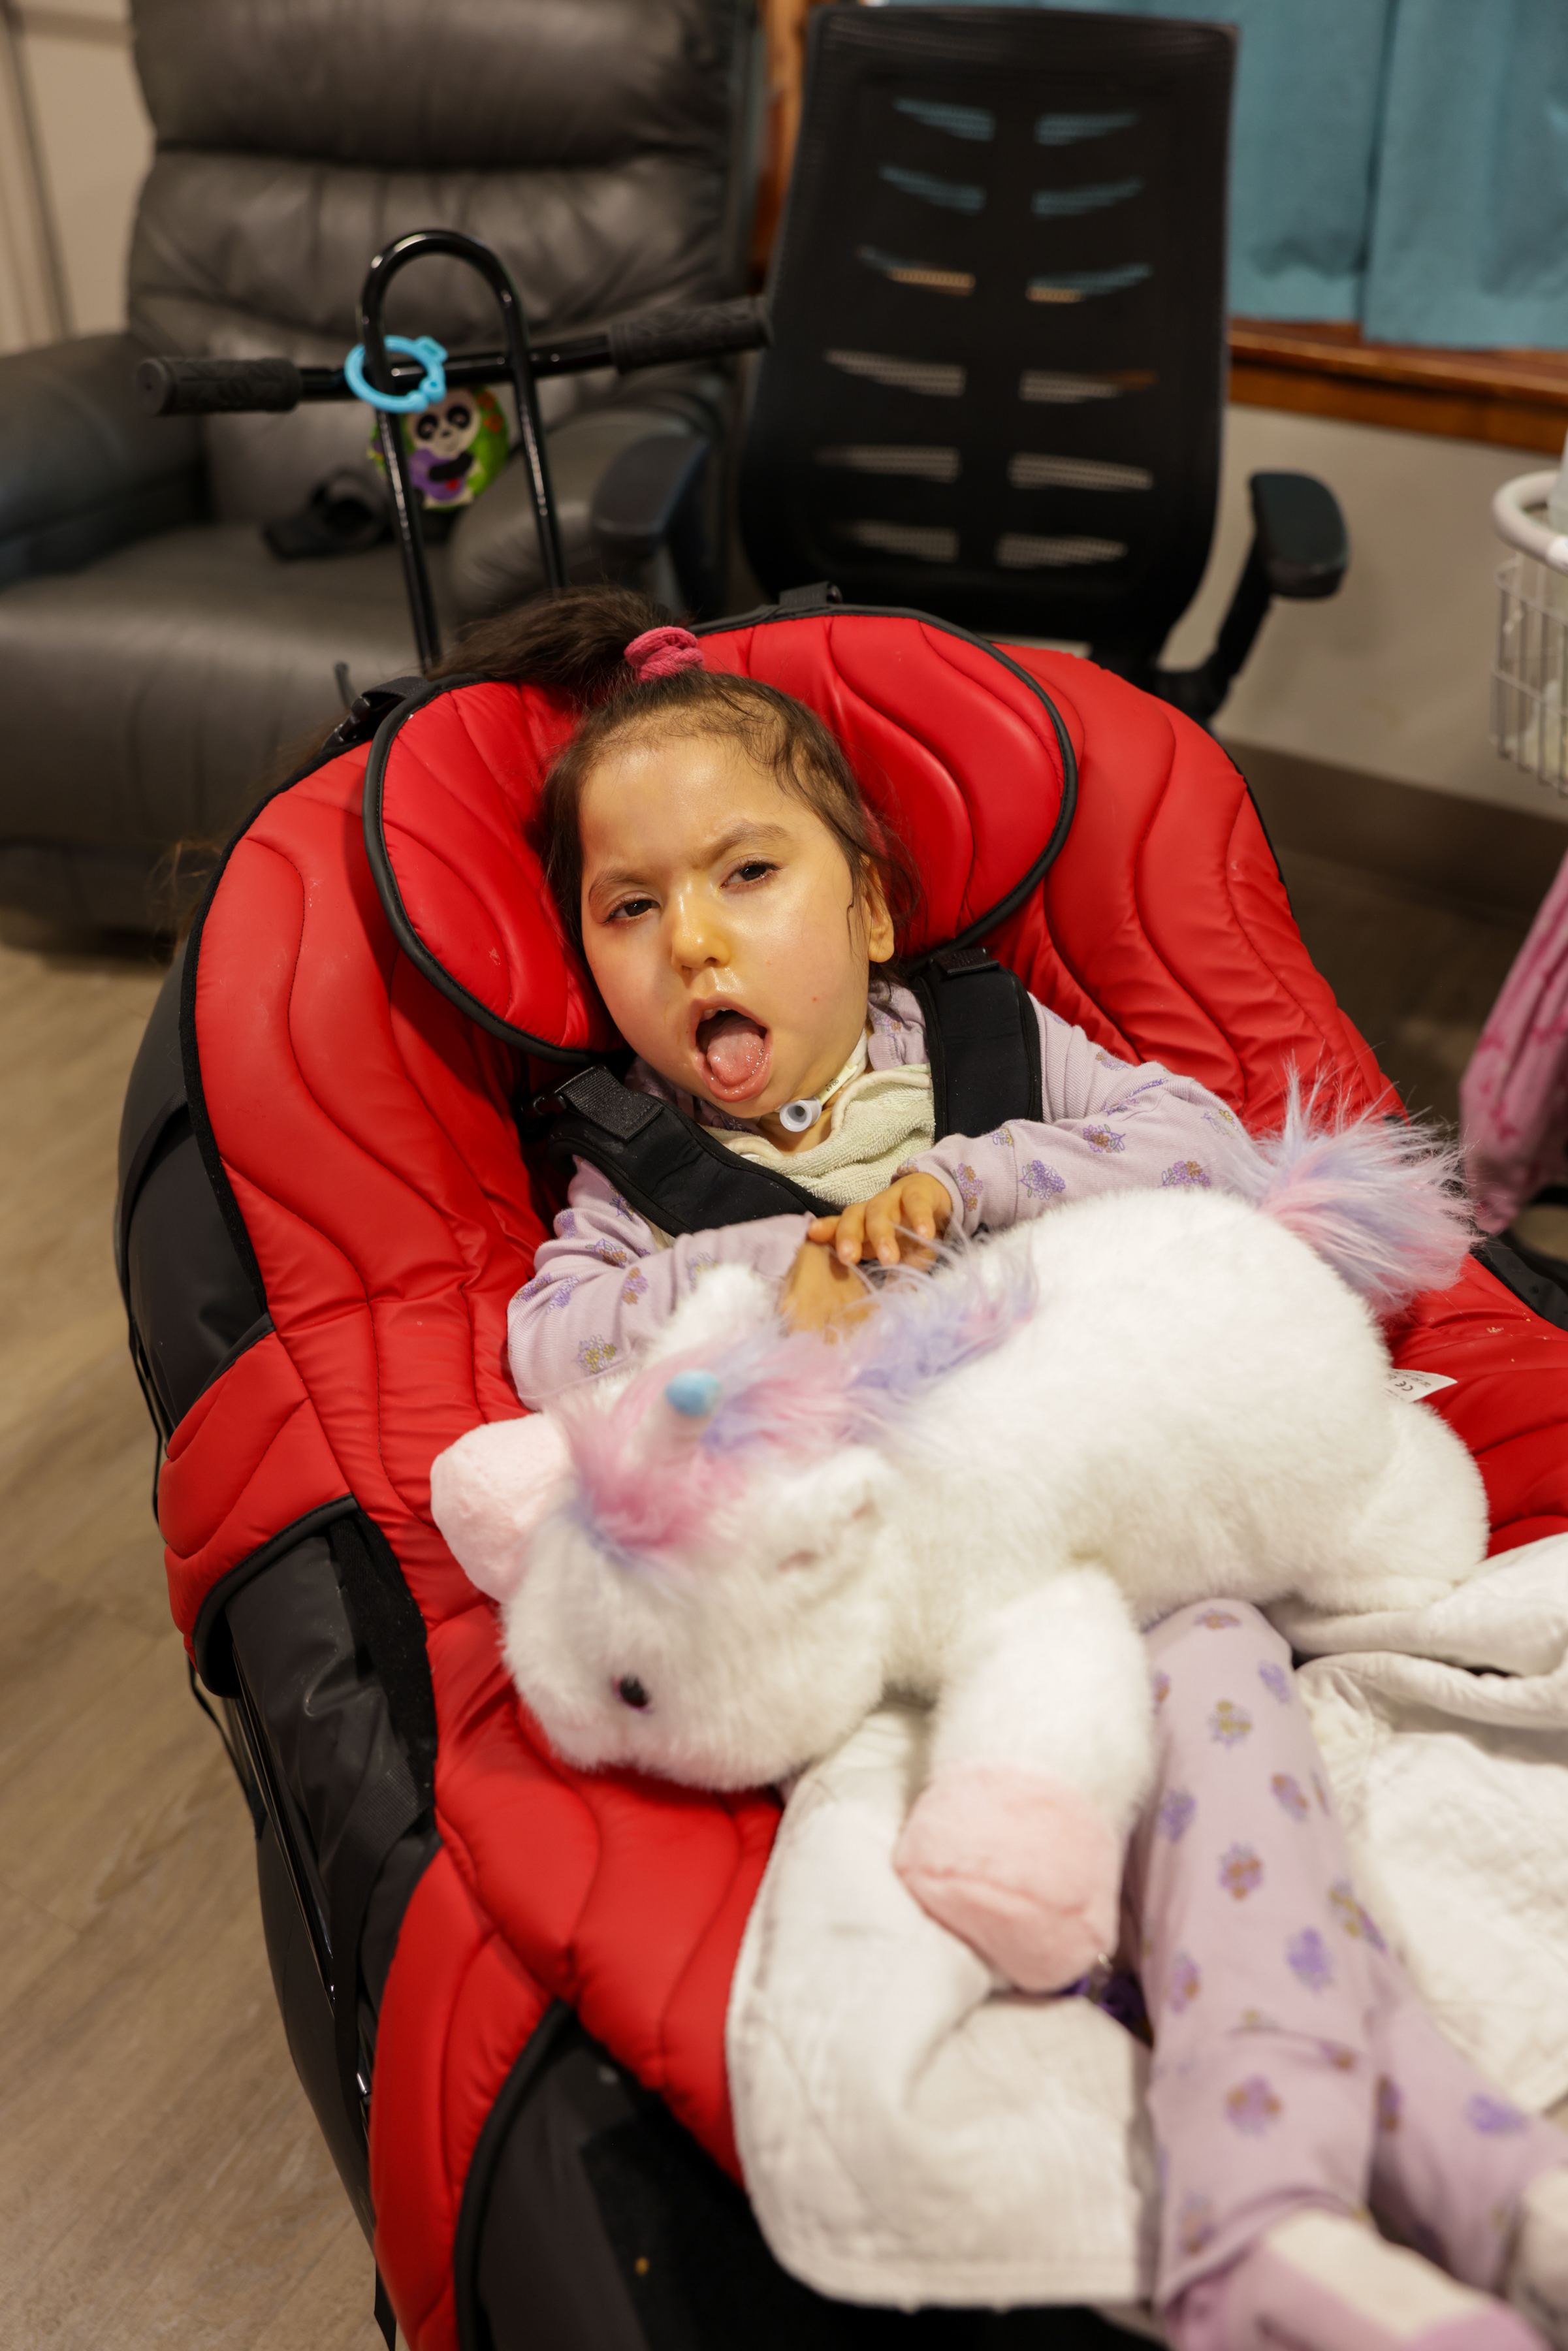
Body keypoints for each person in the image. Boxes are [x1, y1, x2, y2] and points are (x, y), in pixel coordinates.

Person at [499, 587, 1568, 2351]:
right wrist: (784, 1272)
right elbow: (562, 1343)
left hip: (1108, 1520)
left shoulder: (981, 1048)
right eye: (630, 907)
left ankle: (1339, 2189)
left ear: (868, 900)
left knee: (1208, 1716)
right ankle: (1361, 2188)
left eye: (744, 877)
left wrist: (983, 1184)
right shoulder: (635, 1172)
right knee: (1136, 1791)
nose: (691, 942)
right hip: (896, 1596)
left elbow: (1196, 1144)